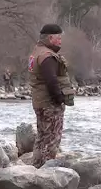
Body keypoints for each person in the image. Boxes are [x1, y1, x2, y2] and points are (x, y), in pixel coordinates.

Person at [28, 23, 75, 168]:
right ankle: (47, 171)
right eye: (58, 37)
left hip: (39, 102)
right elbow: (51, 80)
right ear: (50, 38)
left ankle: (35, 167)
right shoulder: (47, 56)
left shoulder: (37, 52)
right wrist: (59, 99)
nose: (61, 41)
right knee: (52, 139)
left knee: (42, 137)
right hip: (49, 104)